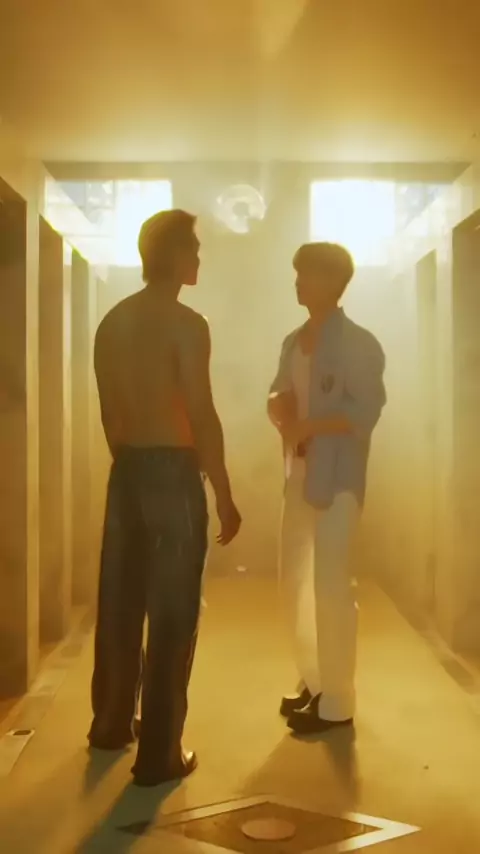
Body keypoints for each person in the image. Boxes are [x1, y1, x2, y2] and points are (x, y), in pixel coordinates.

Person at [87, 209, 241, 786]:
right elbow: (200, 411)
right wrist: (222, 489)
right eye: (193, 248)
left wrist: (132, 463)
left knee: (120, 602)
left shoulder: (113, 322)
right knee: (173, 613)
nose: (198, 258)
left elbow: (109, 413)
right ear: (172, 256)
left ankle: (110, 723)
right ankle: (159, 754)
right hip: (174, 471)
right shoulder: (186, 323)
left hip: (126, 468)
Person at [267, 242, 386, 734]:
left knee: (332, 585)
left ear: (334, 283)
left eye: (307, 274)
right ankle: (314, 679)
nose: (297, 281)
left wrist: (309, 426)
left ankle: (337, 699)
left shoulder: (359, 343)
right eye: (297, 273)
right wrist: (282, 414)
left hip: (338, 479)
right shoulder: (293, 341)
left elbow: (365, 412)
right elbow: (278, 391)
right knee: (295, 580)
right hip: (298, 474)